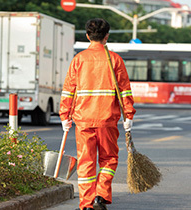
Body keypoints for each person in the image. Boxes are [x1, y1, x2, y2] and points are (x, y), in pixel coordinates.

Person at [59, 18, 136, 210]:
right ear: (106, 37)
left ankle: (86, 204)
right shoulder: (115, 60)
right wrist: (129, 115)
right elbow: (125, 91)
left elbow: (69, 90)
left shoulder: (78, 60)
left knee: (85, 162)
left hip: (83, 120)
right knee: (109, 159)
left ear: (87, 36)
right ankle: (100, 196)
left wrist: (64, 116)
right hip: (107, 119)